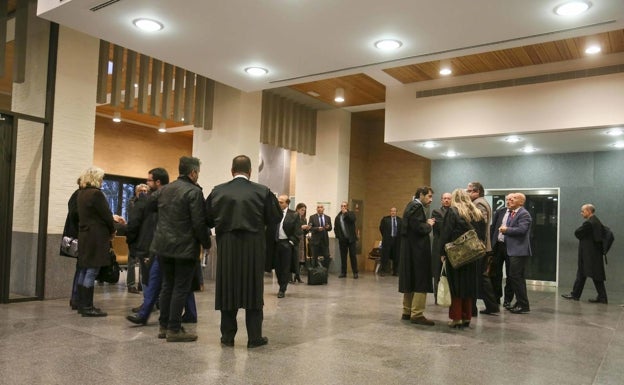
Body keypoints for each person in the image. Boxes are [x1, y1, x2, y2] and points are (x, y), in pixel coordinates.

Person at [206, 155, 281, 348]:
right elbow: (275, 217)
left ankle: (227, 337)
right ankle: (254, 337)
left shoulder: (218, 191)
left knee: (227, 290)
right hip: (253, 247)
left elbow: (206, 219)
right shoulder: (262, 191)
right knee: (253, 291)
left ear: (232, 171)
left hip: (227, 247)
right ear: (250, 171)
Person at [151, 157, 211, 342]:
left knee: (167, 285)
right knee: (180, 288)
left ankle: (164, 326)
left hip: (162, 246)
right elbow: (198, 222)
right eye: (198, 173)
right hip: (184, 247)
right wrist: (206, 243)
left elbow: (151, 207)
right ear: (193, 173)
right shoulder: (194, 192)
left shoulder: (165, 190)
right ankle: (174, 329)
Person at [126, 167, 169, 326]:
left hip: (151, 245)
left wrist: (131, 241)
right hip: (161, 245)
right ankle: (148, 311)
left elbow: (134, 224)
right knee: (158, 280)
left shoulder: (146, 200)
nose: (147, 183)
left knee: (151, 279)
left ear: (157, 182)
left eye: (149, 180)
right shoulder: (168, 197)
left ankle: (150, 310)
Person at [440, 189, 486, 328]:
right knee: (469, 286)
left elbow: (446, 233)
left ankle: (456, 318)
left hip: (457, 255)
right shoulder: (476, 213)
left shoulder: (453, 212)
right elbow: (482, 235)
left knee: (456, 286)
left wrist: (442, 252)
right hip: (473, 255)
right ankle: (467, 317)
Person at [76, 167, 116, 317]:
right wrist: (113, 229)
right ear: (96, 178)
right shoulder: (96, 194)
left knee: (84, 269)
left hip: (85, 235)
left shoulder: (81, 193)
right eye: (101, 178)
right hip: (96, 236)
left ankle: (81, 304)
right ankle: (87, 307)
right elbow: (106, 215)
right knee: (92, 270)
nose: (102, 181)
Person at [398, 186, 436, 326]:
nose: (431, 200)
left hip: (410, 250)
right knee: (420, 280)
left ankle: (407, 311)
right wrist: (429, 225)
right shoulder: (417, 207)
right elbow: (419, 228)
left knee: (410, 279)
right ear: (421, 195)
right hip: (418, 251)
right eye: (429, 196)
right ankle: (417, 313)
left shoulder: (410, 206)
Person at [562, 204, 608, 304]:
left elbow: (577, 233)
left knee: (592, 275)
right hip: (593, 254)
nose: (581, 213)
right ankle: (577, 294)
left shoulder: (589, 223)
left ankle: (601, 297)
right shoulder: (596, 221)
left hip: (589, 254)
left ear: (588, 211)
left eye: (582, 211)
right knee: (587, 274)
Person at [497, 193, 532, 314]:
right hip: (513, 250)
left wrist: (506, 230)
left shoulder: (524, 214)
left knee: (516, 278)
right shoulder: (514, 213)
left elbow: (522, 230)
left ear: (521, 202)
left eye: (515, 198)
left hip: (519, 251)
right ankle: (520, 303)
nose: (510, 199)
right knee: (516, 278)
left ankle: (523, 305)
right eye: (509, 198)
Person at [467, 182, 499, 315]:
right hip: (482, 246)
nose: (467, 194)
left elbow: (479, 225)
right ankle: (491, 306)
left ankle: (476, 308)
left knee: (477, 277)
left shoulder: (479, 204)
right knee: (481, 277)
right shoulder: (480, 202)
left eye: (469, 191)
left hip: (479, 247)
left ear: (477, 192)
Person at [273, 195, 302, 298]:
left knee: (285, 267)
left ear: (287, 203)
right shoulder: (275, 213)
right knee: (277, 267)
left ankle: (282, 289)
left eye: (281, 202)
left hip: (286, 244)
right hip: (276, 244)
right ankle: (281, 283)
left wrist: (291, 242)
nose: (279, 204)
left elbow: (298, 232)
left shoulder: (293, 215)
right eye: (278, 202)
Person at [61, 178, 81, 310]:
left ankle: (76, 298)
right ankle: (76, 298)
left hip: (76, 235)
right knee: (81, 269)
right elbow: (76, 215)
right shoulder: (78, 195)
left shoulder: (76, 195)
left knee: (81, 269)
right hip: (79, 236)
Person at [490, 194, 513, 306]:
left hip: (511, 247)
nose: (508, 201)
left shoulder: (518, 213)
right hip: (498, 246)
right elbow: (493, 228)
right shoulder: (500, 211)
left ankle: (507, 300)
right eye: (507, 199)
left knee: (510, 274)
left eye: (511, 200)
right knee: (495, 273)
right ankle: (496, 297)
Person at [127, 183, 149, 294]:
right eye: (141, 191)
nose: (143, 193)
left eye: (145, 191)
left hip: (144, 235)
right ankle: (131, 285)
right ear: (136, 192)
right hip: (135, 235)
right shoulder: (132, 202)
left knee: (143, 263)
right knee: (131, 261)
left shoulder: (149, 203)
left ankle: (141, 283)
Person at [430, 193, 450, 300]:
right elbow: (443, 226)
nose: (446, 200)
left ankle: (449, 296)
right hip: (438, 245)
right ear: (441, 200)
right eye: (444, 198)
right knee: (437, 271)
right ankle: (437, 295)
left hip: (451, 245)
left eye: (448, 198)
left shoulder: (454, 211)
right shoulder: (436, 212)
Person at [335, 201, 358, 279]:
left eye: (345, 206)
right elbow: (336, 228)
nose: (343, 207)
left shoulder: (351, 214)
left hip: (351, 239)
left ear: (347, 207)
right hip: (343, 240)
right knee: (343, 256)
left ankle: (355, 272)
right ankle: (343, 272)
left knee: (353, 255)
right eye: (342, 206)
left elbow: (352, 220)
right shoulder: (338, 217)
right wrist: (338, 236)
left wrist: (346, 213)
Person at [379, 207, 402, 276]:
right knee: (385, 256)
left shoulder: (400, 220)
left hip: (397, 241)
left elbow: (401, 230)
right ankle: (383, 271)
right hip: (387, 240)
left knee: (396, 256)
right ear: (390, 212)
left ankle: (396, 271)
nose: (393, 212)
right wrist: (386, 236)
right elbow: (381, 228)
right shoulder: (385, 219)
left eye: (394, 211)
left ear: (396, 212)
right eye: (392, 211)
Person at [308, 204, 333, 269]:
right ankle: (314, 273)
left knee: (327, 256)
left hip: (324, 241)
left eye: (321, 207)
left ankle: (325, 272)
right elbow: (310, 228)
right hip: (315, 241)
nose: (319, 208)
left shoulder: (328, 218)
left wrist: (328, 227)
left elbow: (330, 228)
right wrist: (317, 229)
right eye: (318, 207)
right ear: (316, 209)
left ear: (323, 209)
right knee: (314, 258)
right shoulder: (312, 217)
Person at [294, 203, 310, 283]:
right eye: (302, 210)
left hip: (302, 239)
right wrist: (301, 227)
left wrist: (307, 228)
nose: (303, 212)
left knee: (301, 258)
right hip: (295, 239)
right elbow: (292, 228)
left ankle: (298, 275)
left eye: (304, 210)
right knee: (295, 257)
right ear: (297, 209)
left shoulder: (304, 219)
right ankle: (292, 276)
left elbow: (305, 232)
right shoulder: (293, 217)